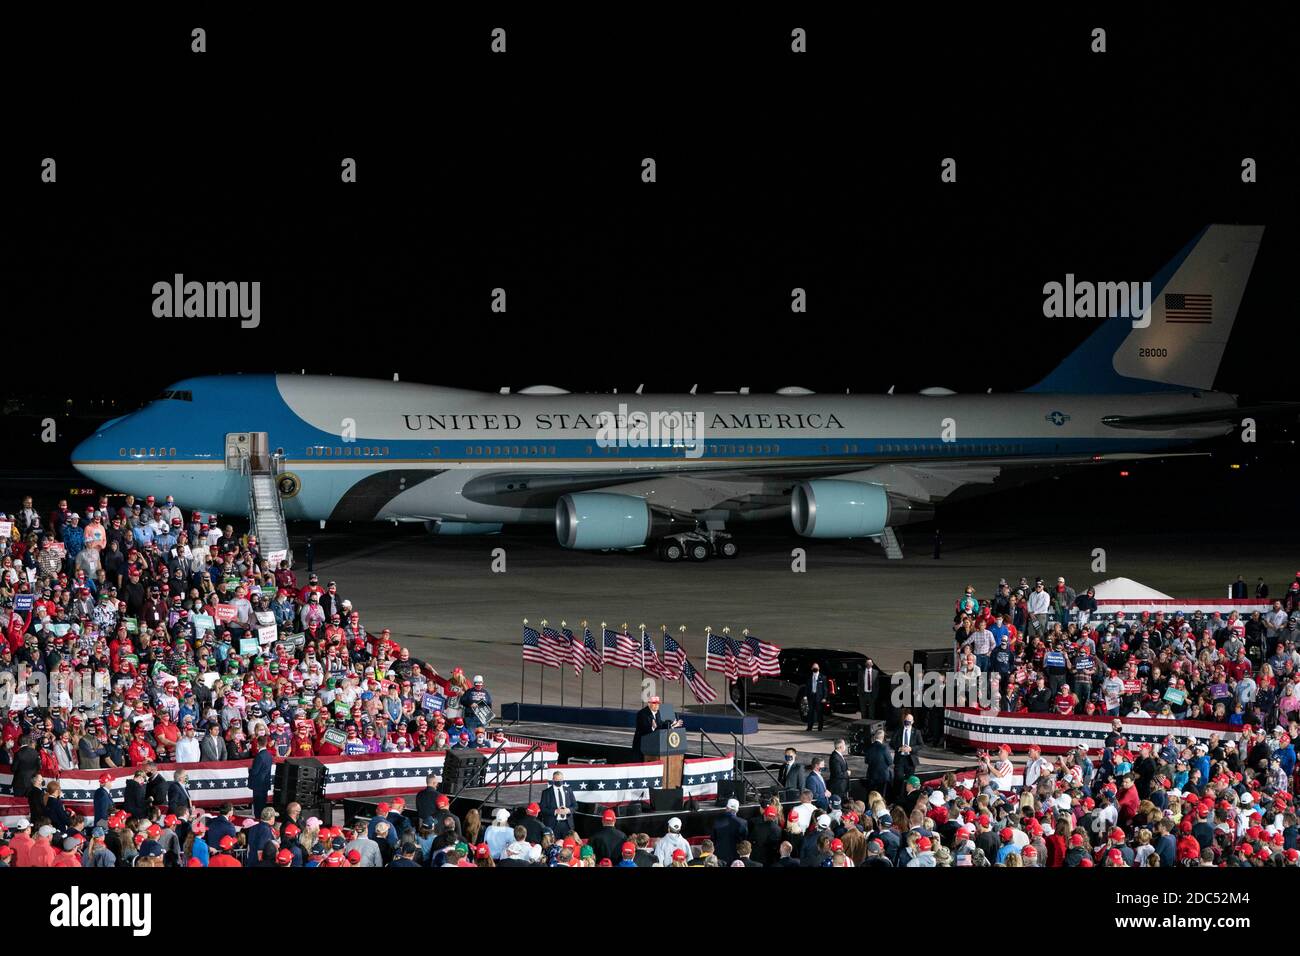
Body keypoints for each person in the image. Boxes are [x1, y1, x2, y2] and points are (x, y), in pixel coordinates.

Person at [630, 695, 681, 761]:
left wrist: (673, 725)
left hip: (655, 746)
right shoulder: (642, 714)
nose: (657, 705)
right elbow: (643, 729)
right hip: (642, 747)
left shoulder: (658, 713)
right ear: (649, 704)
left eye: (658, 703)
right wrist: (652, 727)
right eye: (654, 703)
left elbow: (661, 725)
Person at [891, 712, 923, 797]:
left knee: (910, 780)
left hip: (910, 759)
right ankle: (896, 797)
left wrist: (911, 749)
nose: (907, 722)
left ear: (912, 722)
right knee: (898, 779)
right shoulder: (898, 730)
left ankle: (909, 796)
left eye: (909, 720)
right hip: (900, 758)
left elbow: (921, 745)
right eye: (906, 720)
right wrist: (899, 748)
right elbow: (891, 743)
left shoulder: (916, 732)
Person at [539, 770, 576, 839]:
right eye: (557, 779)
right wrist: (555, 811)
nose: (559, 781)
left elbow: (575, 806)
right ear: (553, 779)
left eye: (561, 779)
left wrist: (568, 810)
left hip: (567, 824)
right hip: (553, 825)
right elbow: (542, 809)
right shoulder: (546, 792)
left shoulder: (568, 790)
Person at [711, 797, 749, 863]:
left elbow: (713, 839)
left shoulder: (717, 822)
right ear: (737, 810)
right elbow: (744, 841)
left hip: (720, 857)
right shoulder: (743, 823)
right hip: (736, 857)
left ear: (727, 808)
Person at [803, 662, 828, 732]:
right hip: (811, 697)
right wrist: (805, 696)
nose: (815, 668)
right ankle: (809, 727)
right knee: (810, 712)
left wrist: (824, 697)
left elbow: (825, 689)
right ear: (811, 668)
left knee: (819, 713)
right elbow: (807, 688)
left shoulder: (823, 677)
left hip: (819, 698)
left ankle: (820, 728)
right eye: (814, 667)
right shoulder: (809, 677)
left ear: (819, 668)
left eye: (816, 667)